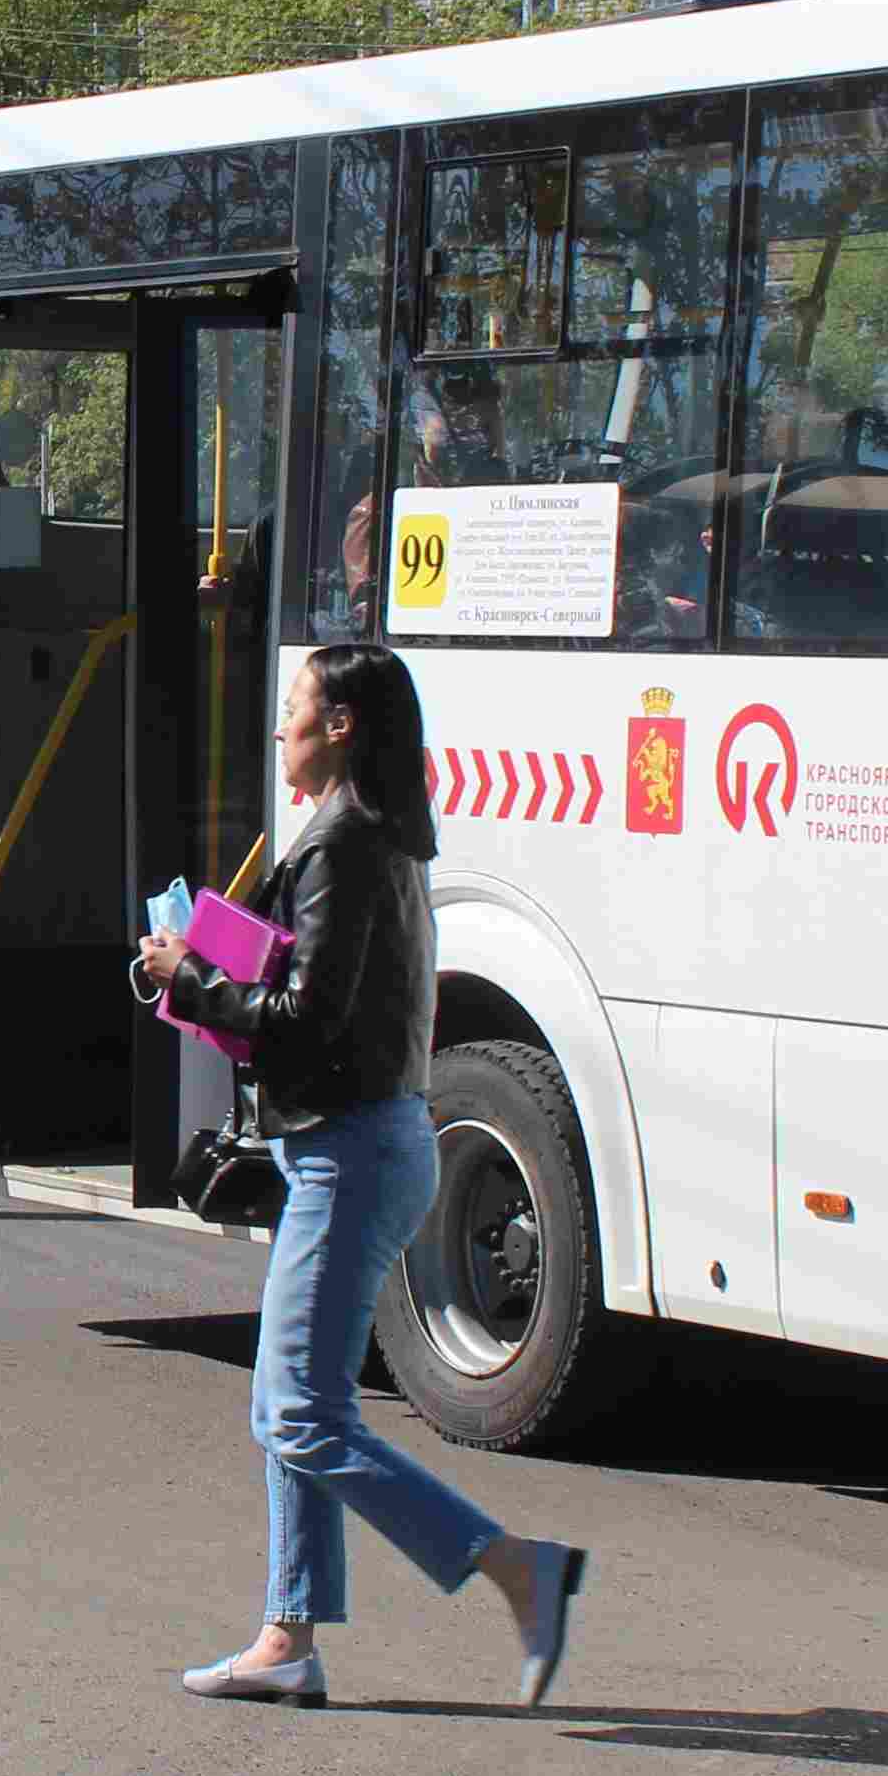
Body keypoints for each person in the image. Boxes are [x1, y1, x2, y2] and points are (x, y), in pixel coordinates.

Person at [139, 640, 591, 1711]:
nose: (282, 728)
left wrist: (189, 980)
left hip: (350, 1153)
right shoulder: (370, 834)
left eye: (295, 709)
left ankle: (514, 1568)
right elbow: (318, 982)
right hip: (359, 1145)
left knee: (296, 1413)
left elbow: (304, 1016)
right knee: (289, 1400)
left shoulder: (344, 843)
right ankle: (285, 1638)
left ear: (340, 725)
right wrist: (211, 957)